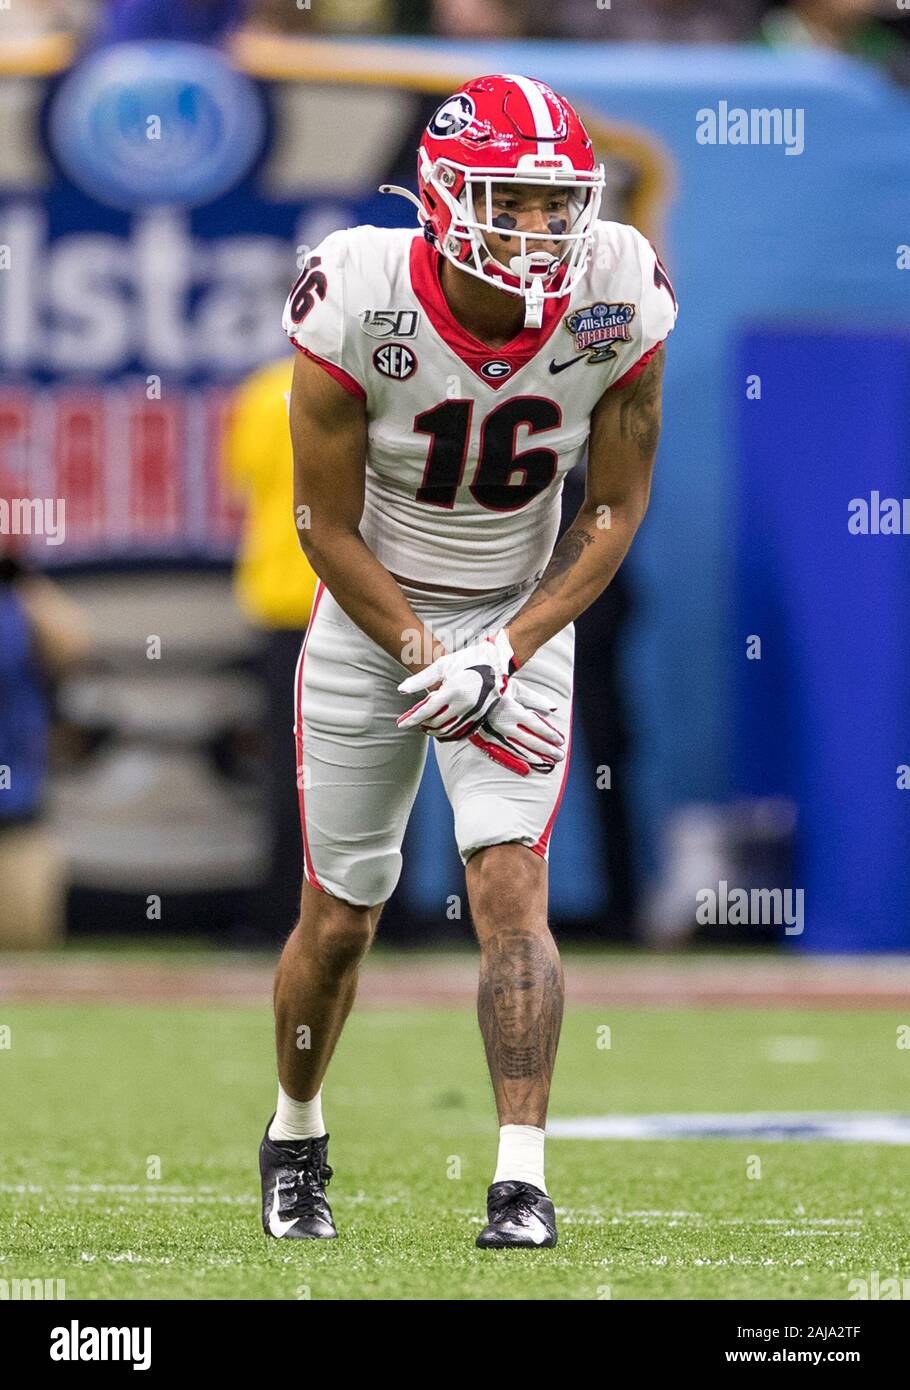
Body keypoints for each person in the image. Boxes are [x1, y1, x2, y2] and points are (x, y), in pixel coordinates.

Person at [258, 74, 677, 1249]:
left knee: (510, 886)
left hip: (518, 613)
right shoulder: (357, 289)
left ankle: (520, 1178)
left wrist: (503, 646)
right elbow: (322, 528)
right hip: (367, 622)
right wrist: (421, 650)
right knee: (343, 914)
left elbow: (614, 510)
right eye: (513, 202)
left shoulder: (620, 291)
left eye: (558, 204)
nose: (542, 231)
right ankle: (295, 1135)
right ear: (442, 198)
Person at [224, 356, 321, 942]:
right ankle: (386, 911)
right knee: (384, 762)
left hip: (284, 607)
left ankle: (285, 912)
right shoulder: (376, 379)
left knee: (292, 774)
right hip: (359, 600)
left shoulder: (263, 393)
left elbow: (242, 485)